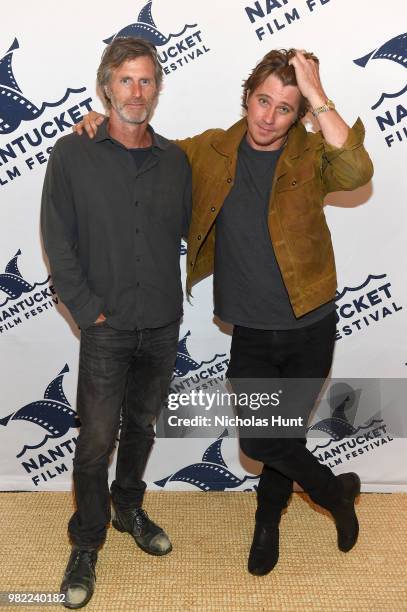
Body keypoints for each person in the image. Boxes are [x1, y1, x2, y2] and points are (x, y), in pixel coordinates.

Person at [75, 48, 373, 576]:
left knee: (285, 435)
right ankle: (334, 493)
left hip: (311, 323)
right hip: (252, 330)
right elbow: (146, 148)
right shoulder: (210, 150)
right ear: (247, 96)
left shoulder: (312, 153)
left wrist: (319, 95)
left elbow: (356, 167)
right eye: (262, 100)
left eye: (285, 107)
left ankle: (267, 520)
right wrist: (105, 122)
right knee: (262, 439)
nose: (268, 116)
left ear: (298, 114)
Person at [41, 37, 191, 608]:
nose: (136, 91)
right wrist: (89, 311)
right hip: (105, 324)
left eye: (146, 80)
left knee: (144, 427)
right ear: (106, 86)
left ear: (158, 89)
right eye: (125, 80)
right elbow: (58, 239)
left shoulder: (176, 160)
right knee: (95, 440)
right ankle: (86, 541)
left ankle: (129, 509)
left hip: (160, 321)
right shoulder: (71, 153)